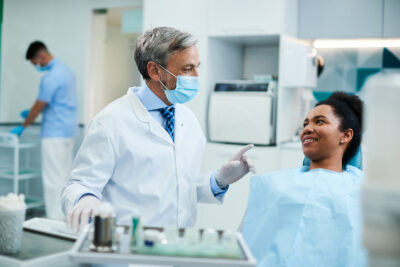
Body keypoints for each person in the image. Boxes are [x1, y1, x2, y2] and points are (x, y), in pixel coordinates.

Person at [61, 27, 255, 233]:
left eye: (197, 67)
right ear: (154, 71)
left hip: (178, 245)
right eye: (188, 69)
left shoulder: (187, 119)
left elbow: (180, 187)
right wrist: (85, 199)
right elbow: (79, 185)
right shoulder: (111, 121)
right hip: (130, 250)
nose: (197, 76)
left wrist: (219, 180)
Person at [242, 92, 366, 266]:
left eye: (320, 121)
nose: (306, 129)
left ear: (345, 135)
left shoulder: (363, 192)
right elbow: (244, 243)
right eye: (305, 123)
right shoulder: (272, 184)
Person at [10, 41, 78, 220]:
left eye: (35, 63)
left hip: (54, 134)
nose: (36, 67)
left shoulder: (51, 78)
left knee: (53, 180)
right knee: (64, 178)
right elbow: (58, 102)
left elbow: (38, 106)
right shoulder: (66, 71)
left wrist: (24, 125)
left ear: (41, 57)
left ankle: (55, 221)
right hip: (68, 132)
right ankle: (66, 217)